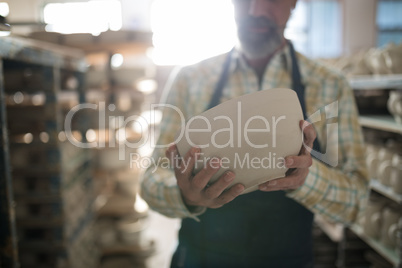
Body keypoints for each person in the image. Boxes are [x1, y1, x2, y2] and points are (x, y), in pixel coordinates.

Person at [141, 0, 369, 267]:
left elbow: (356, 203)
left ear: (294, 3)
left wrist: (306, 178)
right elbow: (150, 181)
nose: (256, 11)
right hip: (202, 258)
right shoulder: (191, 80)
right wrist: (185, 195)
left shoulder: (330, 86)